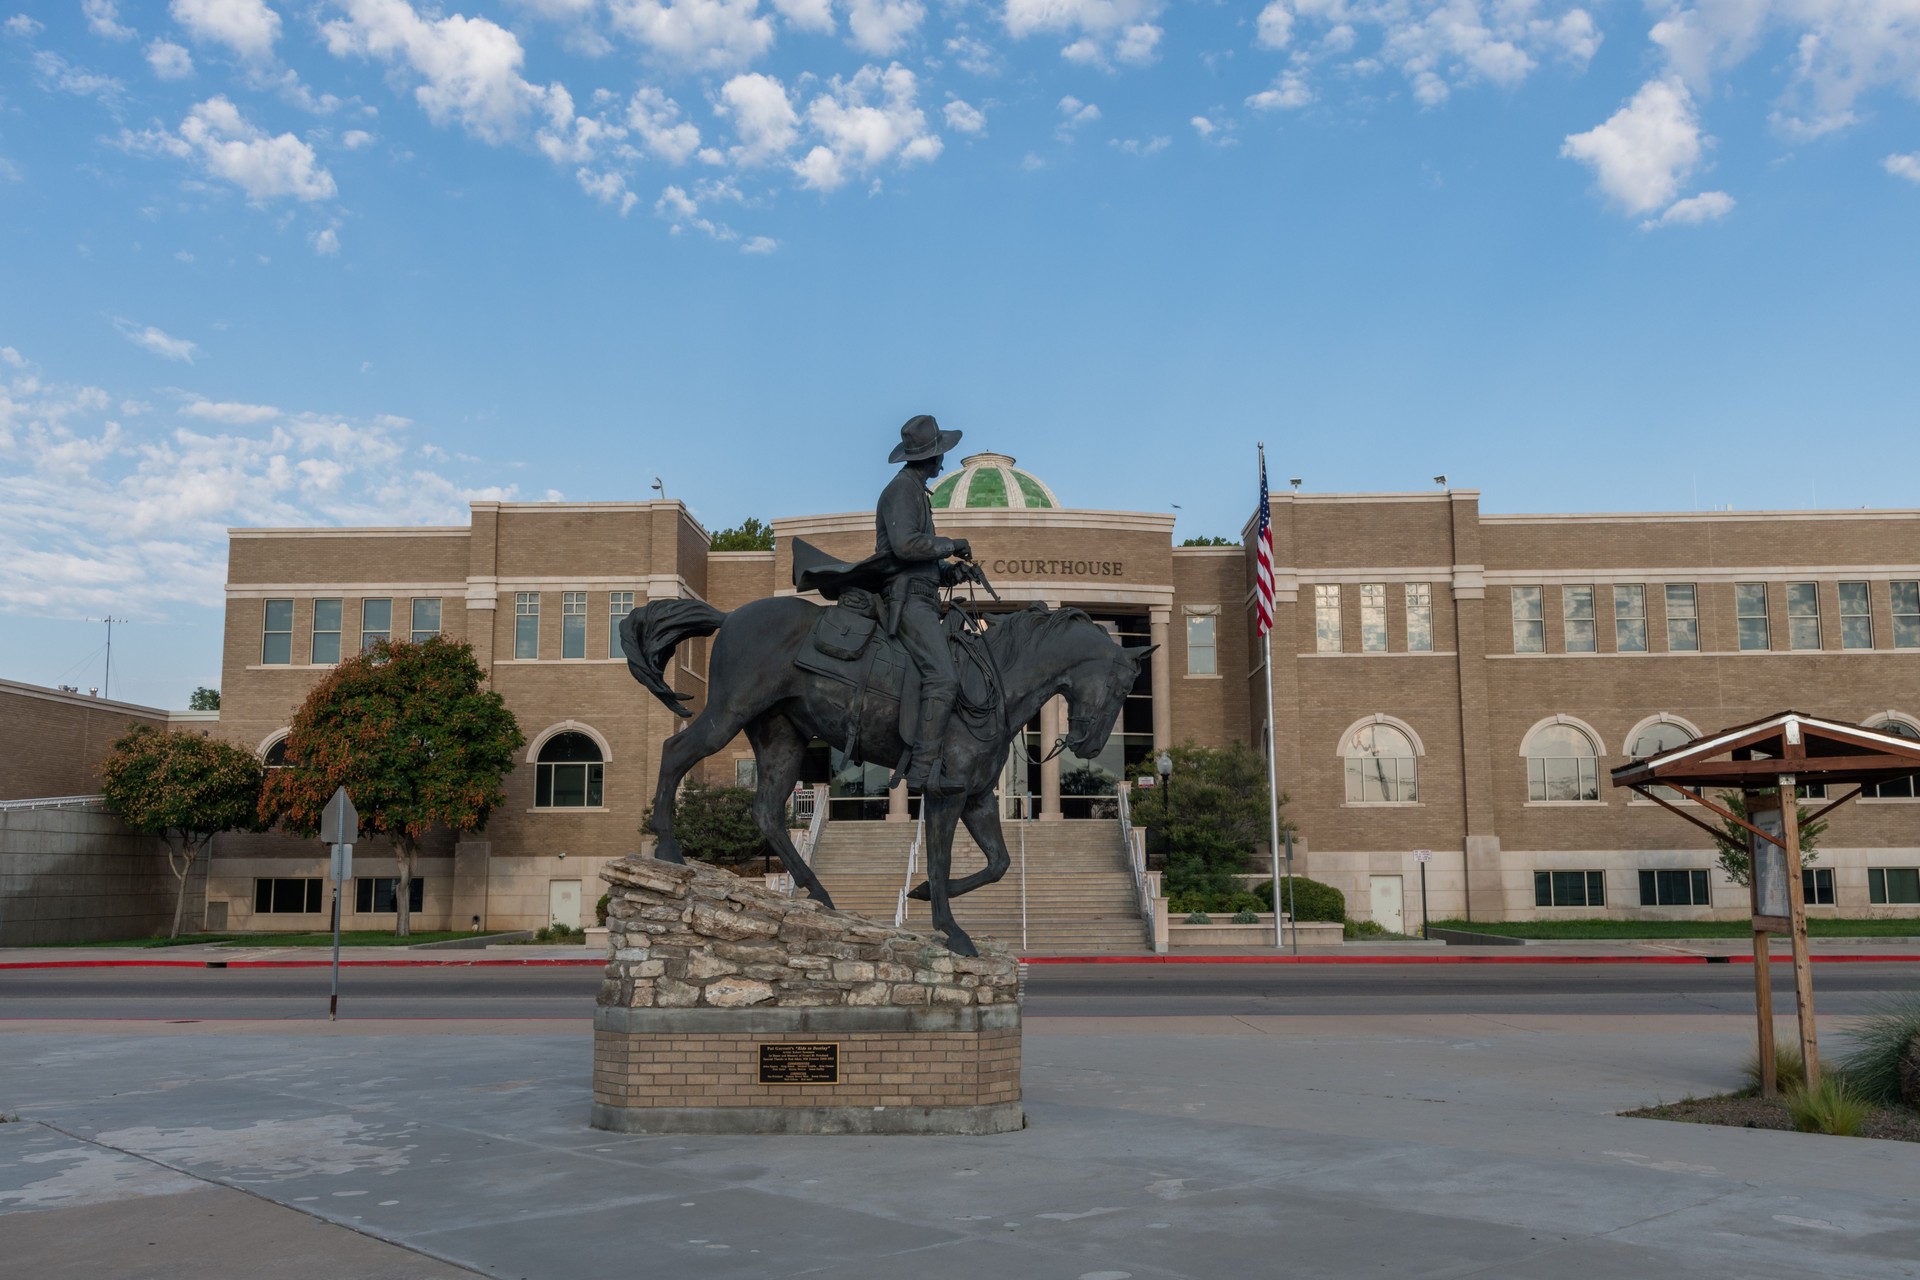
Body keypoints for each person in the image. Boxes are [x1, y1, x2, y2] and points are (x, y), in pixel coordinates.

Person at [877, 414, 973, 792]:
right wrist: (950, 544)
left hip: (923, 594)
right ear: (929, 457)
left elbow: (923, 561)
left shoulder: (917, 491)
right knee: (944, 676)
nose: (943, 461)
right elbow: (904, 547)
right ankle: (922, 769)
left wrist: (951, 573)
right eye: (940, 454)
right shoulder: (901, 490)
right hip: (907, 600)